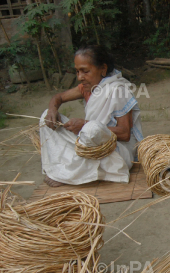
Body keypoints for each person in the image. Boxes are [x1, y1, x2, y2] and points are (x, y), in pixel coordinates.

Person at [40, 45, 143, 187]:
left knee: (91, 129)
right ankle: (69, 168)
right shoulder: (87, 87)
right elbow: (58, 97)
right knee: (45, 117)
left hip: (116, 152)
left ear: (103, 69)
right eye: (77, 71)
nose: (80, 77)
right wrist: (52, 109)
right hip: (92, 144)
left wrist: (85, 125)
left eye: (85, 71)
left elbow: (125, 134)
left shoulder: (118, 90)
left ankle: (66, 174)